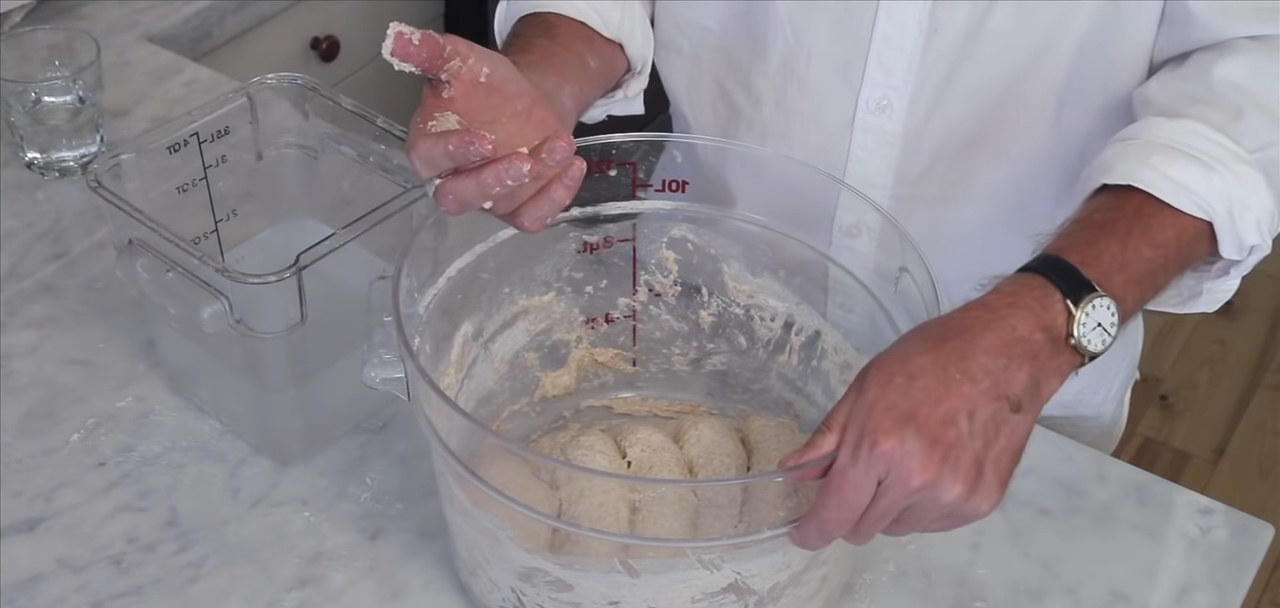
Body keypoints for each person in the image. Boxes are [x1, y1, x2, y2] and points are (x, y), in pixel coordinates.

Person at [388, 2, 1279, 551]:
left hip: (1012, 382)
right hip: (700, 307)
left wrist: (1034, 334)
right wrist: (549, 69)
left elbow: (1254, 75)